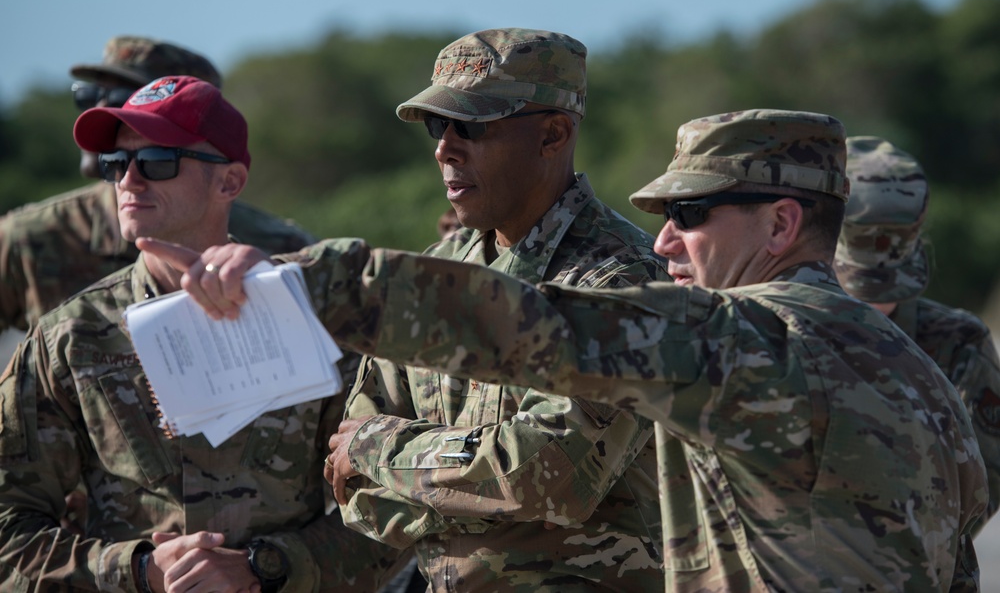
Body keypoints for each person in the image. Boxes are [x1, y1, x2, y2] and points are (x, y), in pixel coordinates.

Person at [143, 108, 988, 591]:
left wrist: (304, 286)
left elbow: (527, 325)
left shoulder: (742, 340)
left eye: (691, 216)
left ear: (781, 224)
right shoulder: (921, 372)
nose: (664, 245)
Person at [0, 76, 399, 592]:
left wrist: (271, 566)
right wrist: (138, 570)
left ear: (229, 182)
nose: (129, 181)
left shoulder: (311, 317)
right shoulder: (70, 338)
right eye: (116, 164)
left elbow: (392, 504)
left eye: (157, 161)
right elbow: (8, 526)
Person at [336, 28, 669, 591]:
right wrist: (481, 489)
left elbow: (551, 477)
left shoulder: (623, 283)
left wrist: (380, 449)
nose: (444, 148)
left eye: (472, 126)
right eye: (440, 127)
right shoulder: (432, 275)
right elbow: (350, 488)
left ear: (553, 134)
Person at [0, 35, 315, 336]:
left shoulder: (277, 248)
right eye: (88, 95)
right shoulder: (25, 240)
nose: (96, 105)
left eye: (128, 99)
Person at [834, 135, 1000, 534]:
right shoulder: (774, 327)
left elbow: (980, 491)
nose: (875, 308)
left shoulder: (958, 342)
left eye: (887, 293)